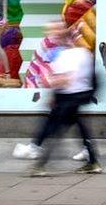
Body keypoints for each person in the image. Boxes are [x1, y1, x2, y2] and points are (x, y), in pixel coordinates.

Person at [30, 21, 102, 177]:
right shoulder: (84, 53)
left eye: (53, 33)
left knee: (56, 131)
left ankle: (40, 165)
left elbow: (65, 80)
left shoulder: (66, 55)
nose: (51, 37)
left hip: (68, 99)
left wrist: (48, 80)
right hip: (78, 96)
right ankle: (93, 162)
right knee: (81, 129)